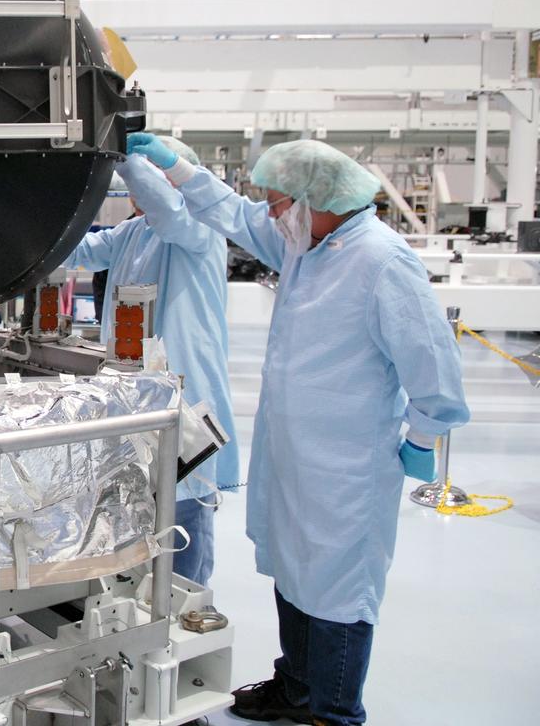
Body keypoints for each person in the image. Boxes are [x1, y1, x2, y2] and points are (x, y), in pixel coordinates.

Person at [127, 133, 470, 726]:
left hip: (349, 466)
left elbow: (434, 366)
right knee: (293, 568)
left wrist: (421, 438)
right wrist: (175, 167)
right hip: (295, 454)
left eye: (279, 202)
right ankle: (296, 688)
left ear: (315, 199)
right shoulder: (307, 245)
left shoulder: (382, 261)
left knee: (338, 588)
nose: (271, 214)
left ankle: (333, 712)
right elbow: (231, 213)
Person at [64, 137, 238, 588]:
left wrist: (123, 154)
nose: (138, 190)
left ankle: (186, 611)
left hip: (183, 399)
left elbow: (168, 210)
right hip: (133, 396)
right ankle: (139, 604)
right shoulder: (134, 232)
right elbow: (79, 251)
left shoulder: (198, 225)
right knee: (135, 507)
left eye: (149, 177)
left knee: (183, 514)